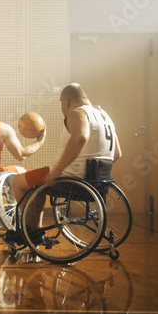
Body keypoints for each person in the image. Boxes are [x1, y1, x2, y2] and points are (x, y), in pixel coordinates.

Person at [10, 84, 121, 234]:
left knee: (17, 181)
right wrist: (94, 172)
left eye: (61, 102)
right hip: (96, 181)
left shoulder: (77, 113)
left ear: (67, 101)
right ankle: (35, 231)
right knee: (35, 186)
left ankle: (31, 232)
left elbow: (81, 137)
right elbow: (117, 153)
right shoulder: (104, 116)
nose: (62, 107)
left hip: (70, 177)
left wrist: (57, 171)